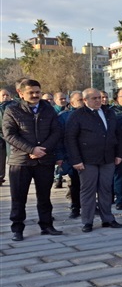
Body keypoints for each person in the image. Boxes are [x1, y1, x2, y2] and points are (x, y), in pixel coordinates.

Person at [2, 79, 63, 241]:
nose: (35, 95)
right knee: (18, 196)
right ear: (21, 93)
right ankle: (17, 228)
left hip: (44, 159)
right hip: (21, 161)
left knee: (44, 195)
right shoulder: (12, 110)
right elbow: (9, 135)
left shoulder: (48, 109)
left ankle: (47, 225)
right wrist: (31, 149)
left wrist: (42, 150)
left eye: (38, 91)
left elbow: (56, 131)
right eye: (31, 92)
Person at [65, 88, 122, 231]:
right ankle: (87, 221)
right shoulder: (77, 115)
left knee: (106, 189)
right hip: (87, 160)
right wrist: (76, 160)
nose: (98, 100)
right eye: (94, 98)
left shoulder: (109, 112)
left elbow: (117, 134)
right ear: (85, 100)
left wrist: (119, 154)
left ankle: (107, 218)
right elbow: (70, 139)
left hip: (107, 158)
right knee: (88, 190)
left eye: (100, 97)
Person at [57, 91, 85, 218]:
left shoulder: (93, 114)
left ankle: (89, 205)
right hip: (72, 156)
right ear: (72, 102)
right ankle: (75, 207)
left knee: (90, 183)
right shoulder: (64, 117)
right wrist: (60, 157)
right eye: (80, 100)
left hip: (91, 155)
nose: (83, 102)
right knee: (75, 183)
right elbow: (60, 138)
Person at [0, 88, 14, 187]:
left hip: (12, 135)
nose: (5, 97)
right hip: (0, 135)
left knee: (13, 157)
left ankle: (15, 176)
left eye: (7, 95)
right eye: (3, 95)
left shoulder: (14, 106)